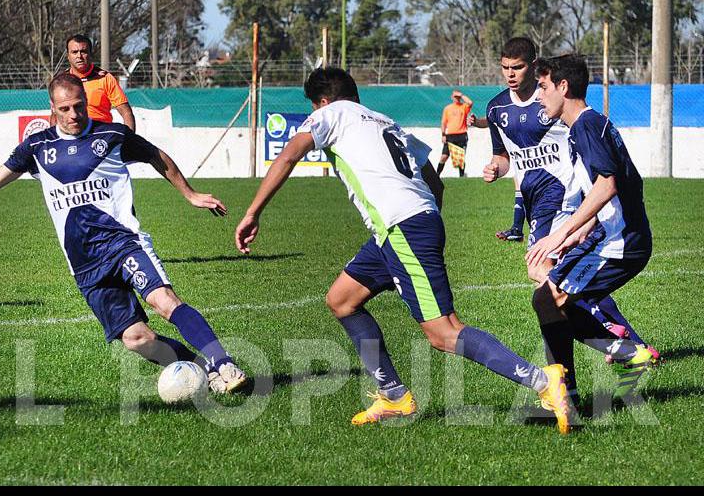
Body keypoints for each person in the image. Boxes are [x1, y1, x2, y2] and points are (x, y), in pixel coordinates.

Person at [234, 67, 572, 433]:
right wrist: (427, 221)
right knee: (341, 300)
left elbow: (287, 156)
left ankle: (544, 382)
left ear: (324, 102)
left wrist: (253, 212)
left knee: (443, 332)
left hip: (403, 228)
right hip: (401, 228)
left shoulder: (329, 115)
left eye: (315, 106)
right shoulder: (384, 121)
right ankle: (393, 395)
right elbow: (432, 177)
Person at [0, 73, 246, 394]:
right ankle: (205, 372)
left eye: (79, 106)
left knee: (165, 302)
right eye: (65, 109)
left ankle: (223, 363)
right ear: (52, 107)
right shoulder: (37, 146)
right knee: (136, 339)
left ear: (86, 102)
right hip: (86, 267)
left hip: (124, 245)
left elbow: (155, 156)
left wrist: (189, 194)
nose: (73, 115)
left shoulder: (113, 136)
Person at [481, 39, 657, 407]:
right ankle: (583, 382)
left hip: (619, 242)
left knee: (549, 298)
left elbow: (607, 185)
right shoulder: (589, 125)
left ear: (563, 87)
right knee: (548, 298)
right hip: (612, 236)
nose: (539, 97)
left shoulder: (586, 126)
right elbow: (624, 184)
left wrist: (562, 233)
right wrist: (576, 234)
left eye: (543, 87)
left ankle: (589, 377)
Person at [50, 34, 136, 132]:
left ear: (90, 54)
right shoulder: (60, 81)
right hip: (72, 136)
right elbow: (54, 115)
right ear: (68, 56)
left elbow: (126, 112)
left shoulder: (105, 78)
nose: (79, 56)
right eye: (74, 52)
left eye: (83, 52)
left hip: (100, 136)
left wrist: (130, 141)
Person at [437, 90, 473, 178]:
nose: (457, 99)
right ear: (452, 97)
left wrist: (461, 95)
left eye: (458, 97)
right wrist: (443, 134)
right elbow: (443, 122)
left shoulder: (464, 107)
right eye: (455, 97)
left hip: (462, 135)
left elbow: (470, 102)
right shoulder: (448, 108)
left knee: (460, 158)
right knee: (444, 156)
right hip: (450, 136)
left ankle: (461, 176)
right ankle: (436, 175)